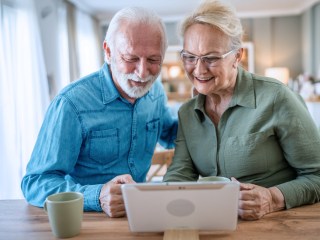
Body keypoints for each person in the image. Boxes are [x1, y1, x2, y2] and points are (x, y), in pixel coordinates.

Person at [163, 0, 320, 220]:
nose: (198, 69)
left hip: (277, 225)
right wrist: (160, 199)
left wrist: (272, 198)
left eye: (211, 58)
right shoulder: (187, 113)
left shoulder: (276, 97)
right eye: (190, 57)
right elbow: (180, 174)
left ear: (237, 55)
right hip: (214, 224)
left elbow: (317, 175)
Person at [21, 6, 177, 218]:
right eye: (131, 58)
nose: (142, 72)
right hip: (86, 220)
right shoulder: (71, 103)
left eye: (153, 60)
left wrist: (206, 105)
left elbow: (170, 135)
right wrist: (96, 195)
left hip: (140, 216)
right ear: (108, 52)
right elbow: (35, 183)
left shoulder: (155, 92)